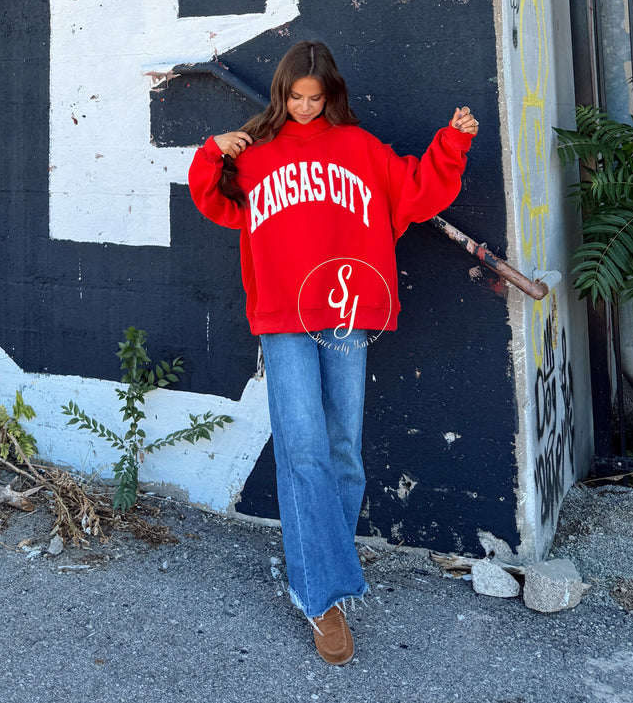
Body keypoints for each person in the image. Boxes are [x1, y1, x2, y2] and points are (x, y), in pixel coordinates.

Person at [187, 40, 478, 664]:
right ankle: (321, 597)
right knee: (304, 451)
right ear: (281, 93)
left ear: (330, 95)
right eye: (295, 96)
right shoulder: (257, 154)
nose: (304, 107)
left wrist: (452, 143)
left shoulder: (358, 147)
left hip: (344, 314)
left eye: (315, 98)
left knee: (343, 449)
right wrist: (214, 151)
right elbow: (214, 202)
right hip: (283, 319)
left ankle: (324, 570)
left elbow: (415, 191)